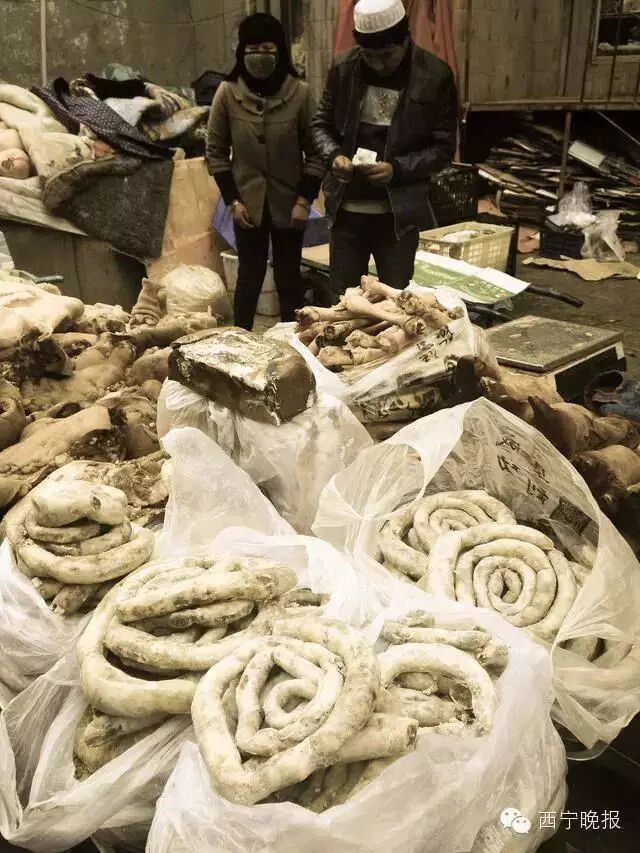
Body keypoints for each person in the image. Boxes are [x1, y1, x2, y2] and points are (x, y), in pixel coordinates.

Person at [311, 0, 458, 297]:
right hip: (346, 211)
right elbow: (320, 125)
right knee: (345, 301)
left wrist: (397, 169)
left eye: (387, 55)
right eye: (369, 56)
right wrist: (334, 156)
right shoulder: (344, 69)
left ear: (405, 40)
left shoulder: (435, 76)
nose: (378, 64)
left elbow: (443, 148)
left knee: (397, 302)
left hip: (398, 216)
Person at [206, 13, 325, 330]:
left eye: (268, 49)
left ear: (281, 52)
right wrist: (233, 201)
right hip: (247, 206)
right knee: (249, 277)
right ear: (241, 52)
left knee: (289, 278)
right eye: (253, 49)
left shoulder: (300, 94)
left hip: (290, 204)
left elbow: (316, 152)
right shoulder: (227, 94)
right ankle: (240, 339)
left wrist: (304, 200)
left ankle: (294, 341)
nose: (260, 56)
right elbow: (215, 152)